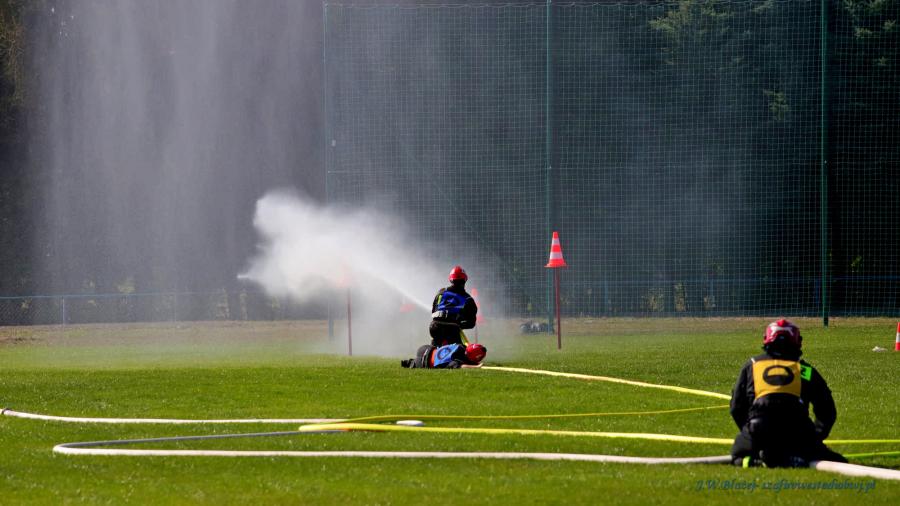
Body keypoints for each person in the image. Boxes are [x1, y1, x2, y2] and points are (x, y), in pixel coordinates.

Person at [730, 319, 847, 468]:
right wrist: (815, 437)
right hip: (798, 433)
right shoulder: (805, 370)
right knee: (838, 461)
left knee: (737, 456)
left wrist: (748, 431)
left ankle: (756, 462)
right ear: (797, 342)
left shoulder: (752, 366)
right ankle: (792, 458)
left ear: (766, 339)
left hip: (758, 431)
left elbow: (736, 406)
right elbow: (827, 410)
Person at [429, 265, 478, 347]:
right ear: (465, 280)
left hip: (434, 327)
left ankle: (430, 351)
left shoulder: (441, 292)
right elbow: (471, 323)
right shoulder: (468, 299)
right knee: (459, 351)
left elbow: (434, 310)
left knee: (434, 348)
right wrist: (460, 324)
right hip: (452, 329)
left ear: (451, 280)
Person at [401, 342, 487, 369]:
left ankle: (408, 362)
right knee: (413, 363)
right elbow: (461, 366)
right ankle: (409, 363)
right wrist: (476, 367)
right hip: (424, 362)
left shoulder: (460, 346)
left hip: (425, 348)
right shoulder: (458, 359)